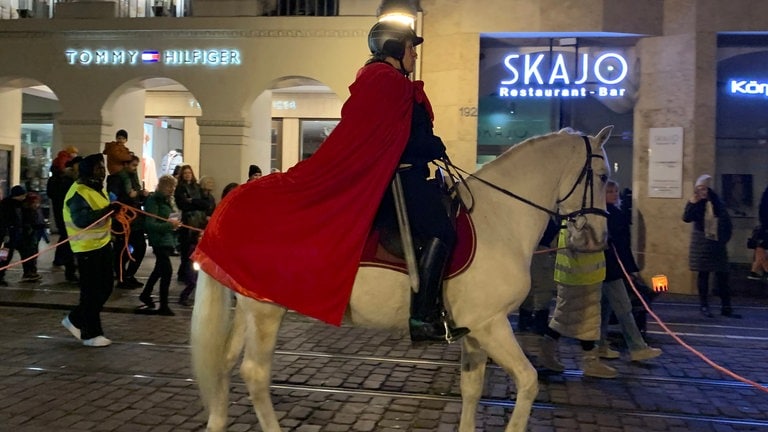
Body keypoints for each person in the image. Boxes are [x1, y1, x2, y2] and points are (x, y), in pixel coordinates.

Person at [193, 21, 468, 343]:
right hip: (401, 178)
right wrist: (434, 146)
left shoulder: (386, 81)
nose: (414, 55)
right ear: (394, 49)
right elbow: (396, 141)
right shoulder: (386, 82)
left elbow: (391, 135)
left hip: (408, 173)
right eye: (410, 48)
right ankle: (423, 317)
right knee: (442, 230)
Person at [537, 225, 618, 379]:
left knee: (564, 319)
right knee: (586, 321)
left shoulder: (571, 220)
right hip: (581, 278)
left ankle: (546, 355)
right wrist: (605, 239)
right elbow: (586, 245)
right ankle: (590, 362)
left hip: (578, 277)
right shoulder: (581, 221)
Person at [60, 153, 121, 347]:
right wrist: (107, 211)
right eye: (98, 168)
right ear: (88, 171)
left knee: (105, 287)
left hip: (102, 245)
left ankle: (75, 319)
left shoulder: (97, 189)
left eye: (103, 168)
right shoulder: (78, 192)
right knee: (91, 291)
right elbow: (81, 220)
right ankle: (90, 333)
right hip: (85, 248)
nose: (102, 172)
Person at [599, 179, 662, 362]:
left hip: (610, 267)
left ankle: (600, 345)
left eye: (615, 191)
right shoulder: (613, 215)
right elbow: (620, 244)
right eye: (610, 191)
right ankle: (637, 347)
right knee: (624, 309)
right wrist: (630, 269)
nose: (614, 194)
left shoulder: (612, 213)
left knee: (605, 309)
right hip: (613, 268)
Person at [683, 174, 741, 318]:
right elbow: (686, 218)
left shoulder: (716, 201)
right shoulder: (695, 202)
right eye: (699, 188)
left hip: (717, 243)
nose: (702, 191)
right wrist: (693, 203)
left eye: (704, 188)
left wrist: (724, 238)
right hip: (702, 243)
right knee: (703, 275)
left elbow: (725, 220)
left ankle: (726, 307)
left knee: (723, 276)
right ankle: (704, 306)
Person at [140, 175, 181, 316]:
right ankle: (163, 304)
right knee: (167, 271)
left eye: (173, 186)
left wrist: (175, 224)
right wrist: (169, 225)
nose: (172, 189)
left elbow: (172, 216)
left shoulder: (170, 200)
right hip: (159, 240)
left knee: (159, 269)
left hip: (168, 239)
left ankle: (146, 294)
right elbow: (150, 224)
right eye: (170, 186)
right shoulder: (153, 201)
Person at [108, 153, 149, 289]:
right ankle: (121, 277)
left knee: (140, 247)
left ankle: (129, 275)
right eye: (133, 165)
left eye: (136, 166)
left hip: (135, 219)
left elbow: (135, 199)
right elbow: (114, 200)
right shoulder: (115, 179)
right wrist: (130, 196)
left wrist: (141, 195)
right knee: (121, 250)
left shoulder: (133, 179)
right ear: (125, 165)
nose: (135, 168)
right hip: (122, 220)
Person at [178, 175, 217, 306]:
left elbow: (204, 205)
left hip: (202, 232)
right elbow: (200, 205)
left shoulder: (208, 199)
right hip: (195, 232)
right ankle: (186, 293)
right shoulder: (200, 197)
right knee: (193, 271)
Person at [516, 218, 558, 336]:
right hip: (541, 248)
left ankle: (525, 321)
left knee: (531, 285)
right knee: (542, 286)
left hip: (532, 247)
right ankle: (538, 323)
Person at [174, 165, 207, 284]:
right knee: (186, 249)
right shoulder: (180, 189)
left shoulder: (197, 187)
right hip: (188, 221)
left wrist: (192, 201)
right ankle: (184, 273)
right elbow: (183, 205)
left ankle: (193, 273)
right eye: (185, 173)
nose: (188, 175)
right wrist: (196, 204)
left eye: (189, 173)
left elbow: (205, 204)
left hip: (199, 221)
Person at [0, 185, 31, 284]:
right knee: (5, 256)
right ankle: (1, 275)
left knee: (25, 252)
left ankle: (28, 272)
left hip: (17, 234)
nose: (24, 197)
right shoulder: (6, 205)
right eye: (22, 195)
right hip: (9, 236)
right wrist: (6, 234)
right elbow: (4, 221)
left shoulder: (20, 204)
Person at [748, 184, 768, 280]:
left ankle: (754, 271)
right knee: (761, 249)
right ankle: (755, 271)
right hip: (765, 228)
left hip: (764, 227)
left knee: (760, 250)